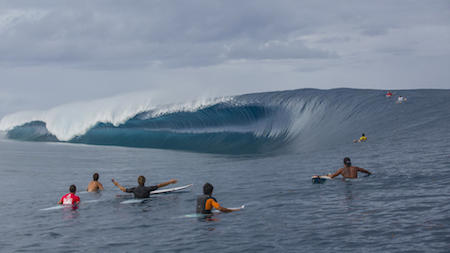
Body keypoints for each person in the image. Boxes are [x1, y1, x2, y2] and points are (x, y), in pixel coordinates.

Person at [111, 176, 177, 198]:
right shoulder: (148, 189)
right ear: (145, 181)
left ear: (137, 181)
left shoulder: (134, 189)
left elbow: (123, 189)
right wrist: (170, 182)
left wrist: (116, 184)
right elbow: (160, 185)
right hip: (147, 201)